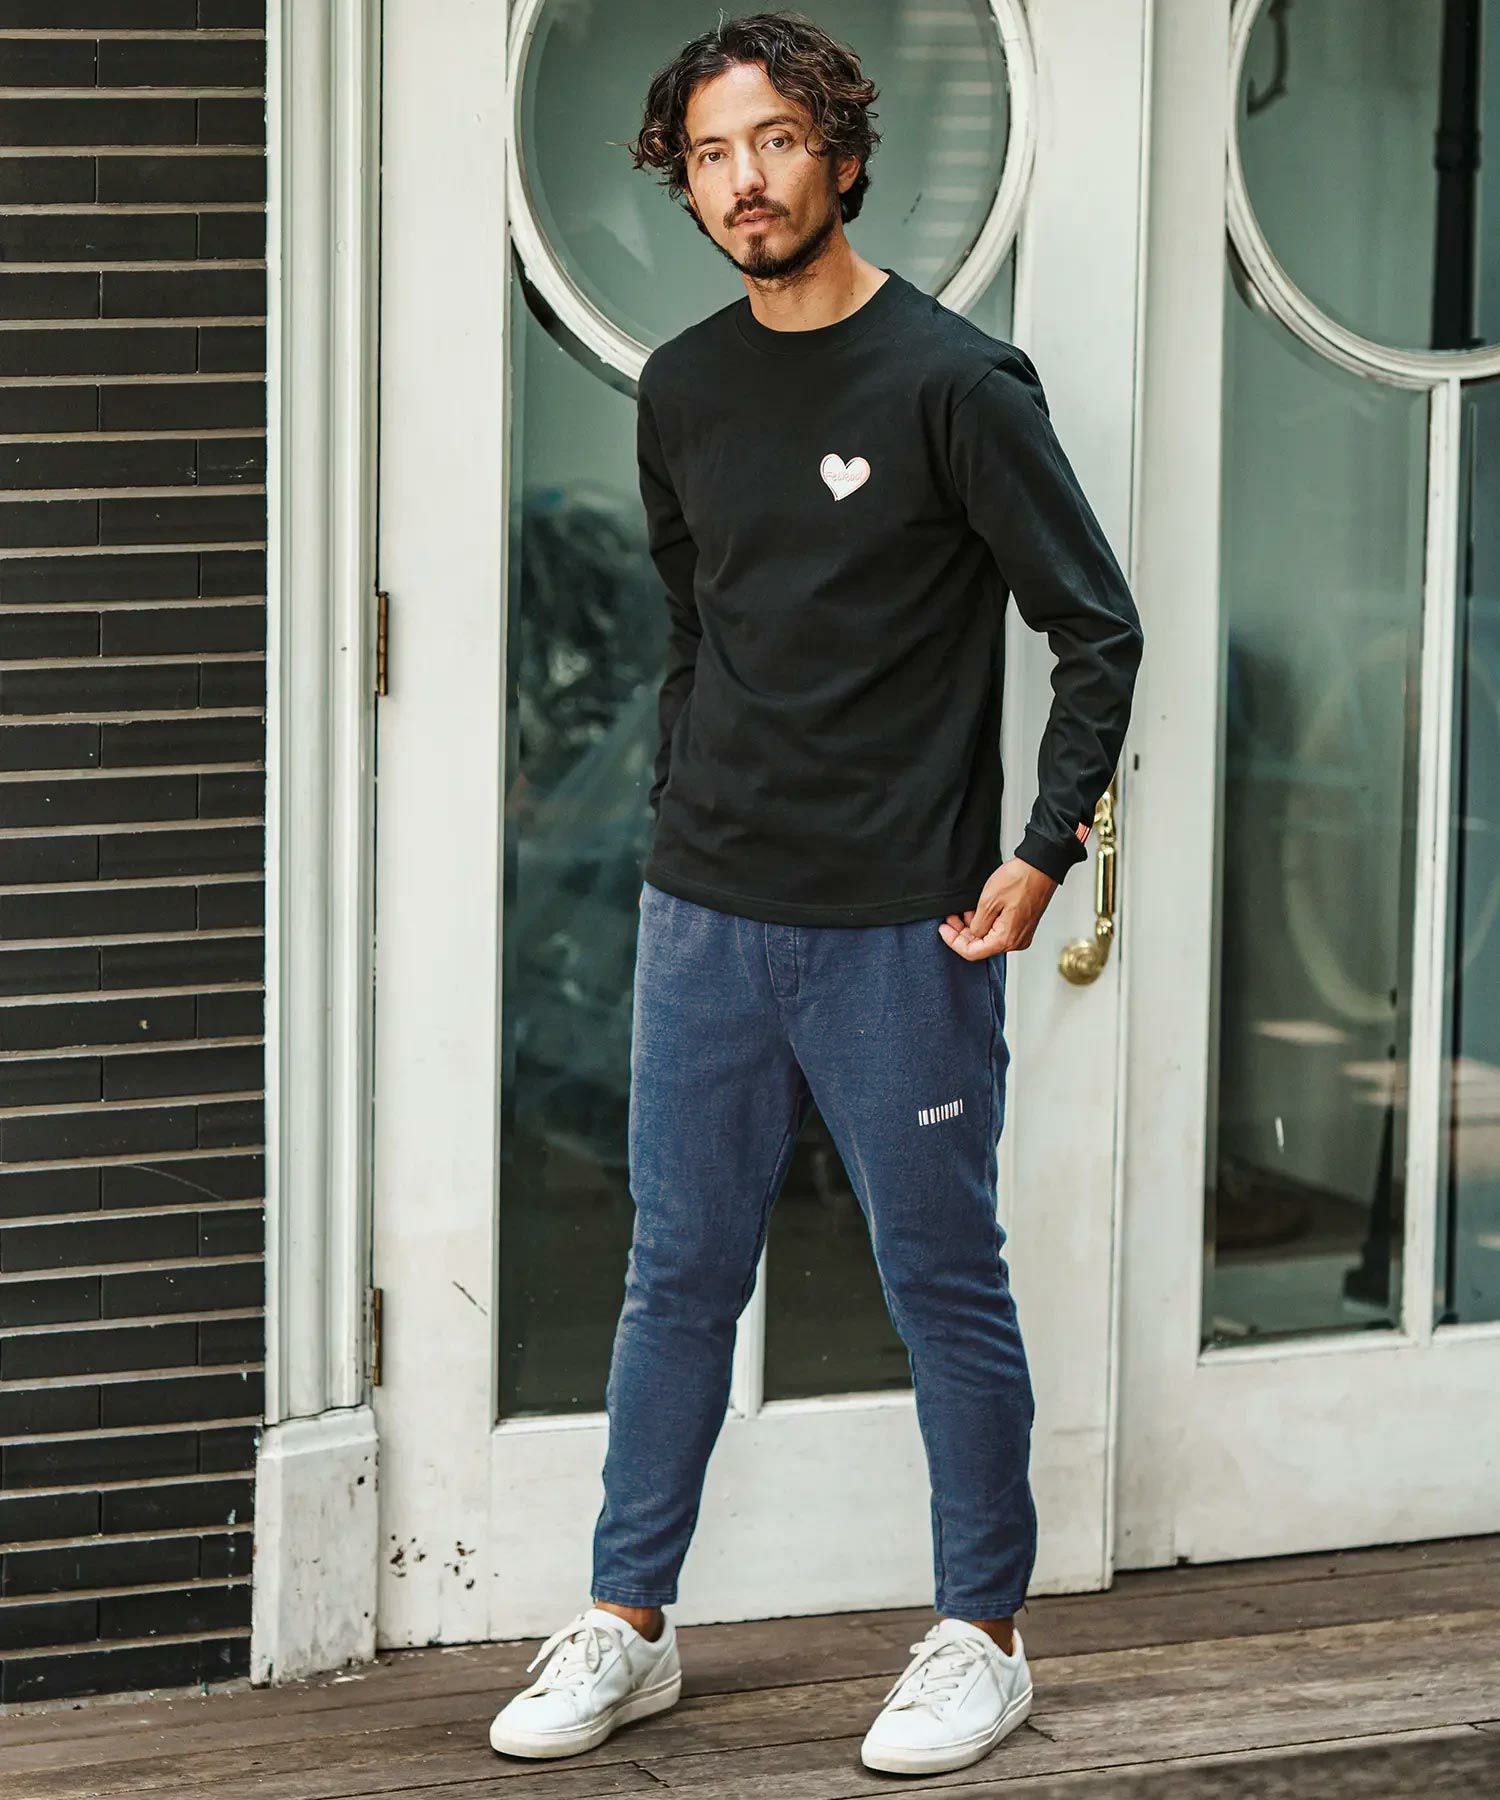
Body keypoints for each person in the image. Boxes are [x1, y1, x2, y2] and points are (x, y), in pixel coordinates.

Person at [490, 9, 1143, 1778]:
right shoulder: (685, 388)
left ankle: (982, 1636)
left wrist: (1040, 850)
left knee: (941, 1279)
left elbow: (1097, 630)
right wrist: (677, 813)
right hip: (705, 913)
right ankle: (629, 1622)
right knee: (677, 1275)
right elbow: (696, 629)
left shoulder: (956, 384)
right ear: (685, 181)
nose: (745, 180)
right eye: (711, 154)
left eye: (774, 141)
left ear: (842, 155)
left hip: (900, 930)